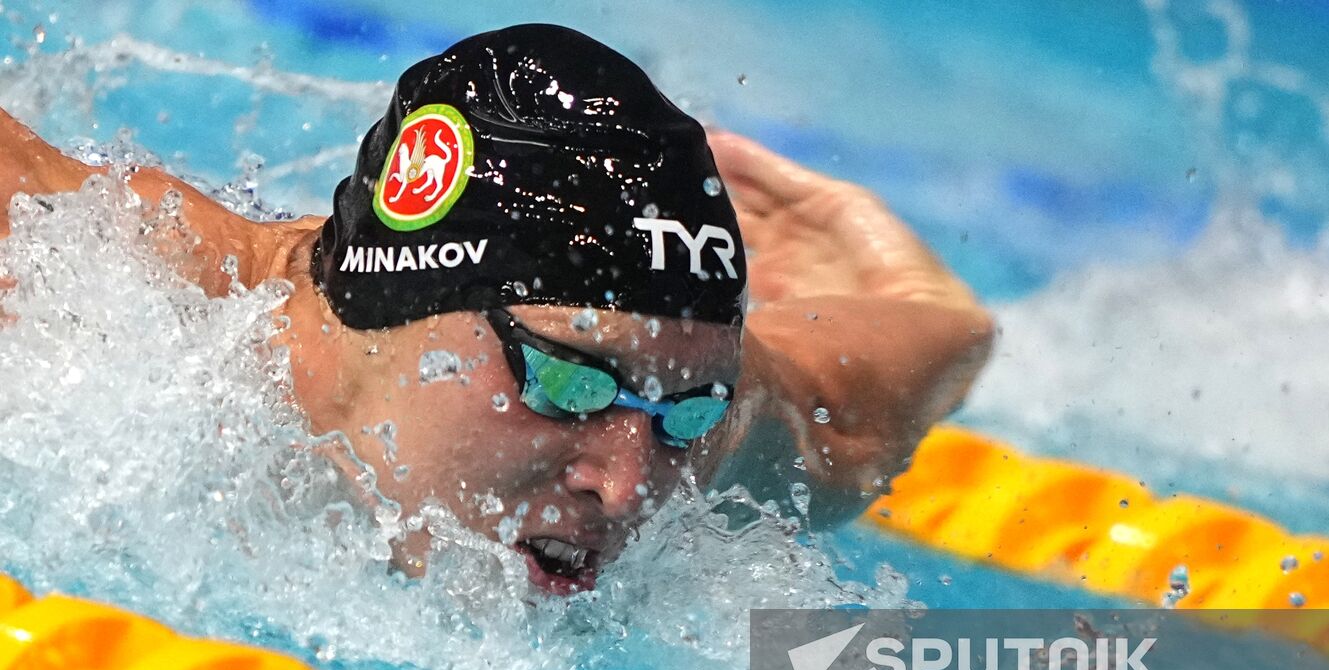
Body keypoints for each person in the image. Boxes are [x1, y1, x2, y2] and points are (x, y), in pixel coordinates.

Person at [0, 24, 993, 595]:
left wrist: (906, 287)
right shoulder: (84, 280)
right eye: (565, 381)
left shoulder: (709, 424)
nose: (629, 486)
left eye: (688, 409)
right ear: (398, 302)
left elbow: (924, 355)